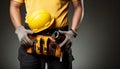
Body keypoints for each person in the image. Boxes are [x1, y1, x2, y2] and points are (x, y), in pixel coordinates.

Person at [10, 0, 84, 69]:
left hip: (59, 39)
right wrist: (19, 28)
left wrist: (73, 32)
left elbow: (78, 6)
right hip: (31, 38)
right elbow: (14, 5)